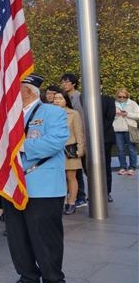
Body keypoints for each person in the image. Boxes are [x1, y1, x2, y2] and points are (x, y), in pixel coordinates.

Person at [5, 74, 69, 283]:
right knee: (17, 238)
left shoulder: (53, 112)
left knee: (45, 239)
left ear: (28, 91)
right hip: (13, 184)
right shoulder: (7, 117)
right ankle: (28, 277)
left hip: (42, 187)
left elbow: (56, 142)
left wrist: (21, 146)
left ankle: (53, 280)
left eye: (16, 89)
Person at [52, 91, 85, 215]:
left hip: (70, 150)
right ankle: (63, 201)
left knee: (71, 177)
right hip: (54, 150)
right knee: (59, 178)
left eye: (60, 98)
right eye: (55, 98)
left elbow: (79, 132)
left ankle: (71, 202)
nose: (57, 100)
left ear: (66, 100)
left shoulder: (73, 114)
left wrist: (80, 150)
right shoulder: (48, 113)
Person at [59, 73, 87, 208]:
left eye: (66, 82)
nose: (63, 84)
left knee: (74, 175)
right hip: (57, 149)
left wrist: (81, 148)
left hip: (71, 146)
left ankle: (77, 199)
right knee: (62, 178)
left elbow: (79, 128)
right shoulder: (51, 111)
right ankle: (65, 201)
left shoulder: (80, 99)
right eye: (62, 82)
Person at [113, 88, 138, 176]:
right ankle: (123, 167)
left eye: (124, 97)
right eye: (120, 96)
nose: (122, 98)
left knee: (132, 149)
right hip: (118, 129)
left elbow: (138, 115)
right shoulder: (113, 103)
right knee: (120, 150)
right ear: (117, 96)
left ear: (127, 96)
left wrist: (127, 114)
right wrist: (116, 115)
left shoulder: (132, 103)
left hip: (129, 129)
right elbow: (109, 115)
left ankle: (132, 167)